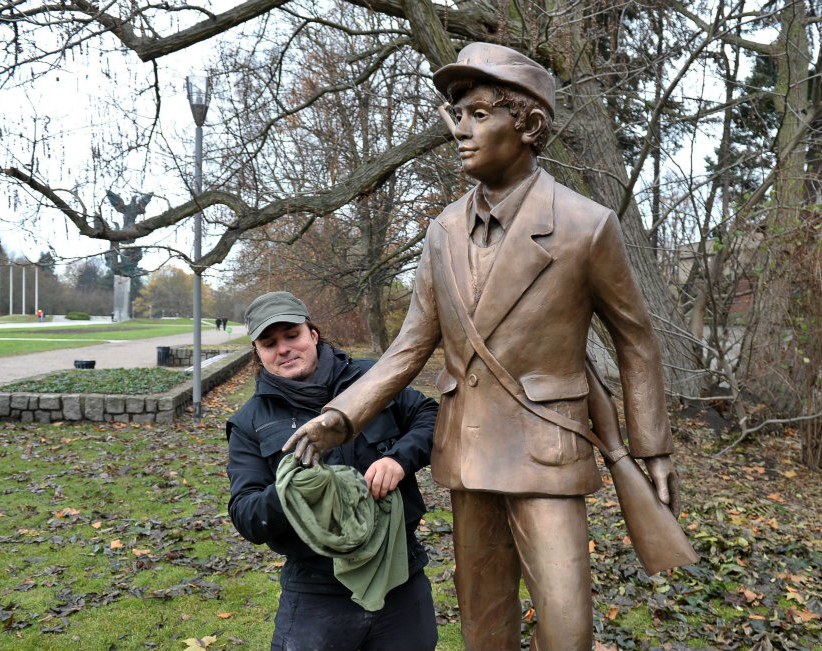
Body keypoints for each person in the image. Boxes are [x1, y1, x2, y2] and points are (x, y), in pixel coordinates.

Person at [284, 43, 685, 650]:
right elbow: (408, 347)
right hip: (469, 455)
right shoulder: (442, 231)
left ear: (525, 125)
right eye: (457, 115)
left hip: (547, 453)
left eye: (476, 114)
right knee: (483, 627)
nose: (461, 132)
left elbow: (636, 343)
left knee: (566, 624)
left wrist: (652, 449)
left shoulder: (585, 225)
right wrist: (339, 418)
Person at [225, 291, 439, 651]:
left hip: (399, 577)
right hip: (316, 591)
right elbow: (247, 516)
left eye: (292, 335)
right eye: (269, 343)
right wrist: (294, 488)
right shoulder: (250, 423)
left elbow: (431, 417)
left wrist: (398, 460)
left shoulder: (373, 378)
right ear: (258, 354)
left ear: (312, 333)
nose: (284, 349)